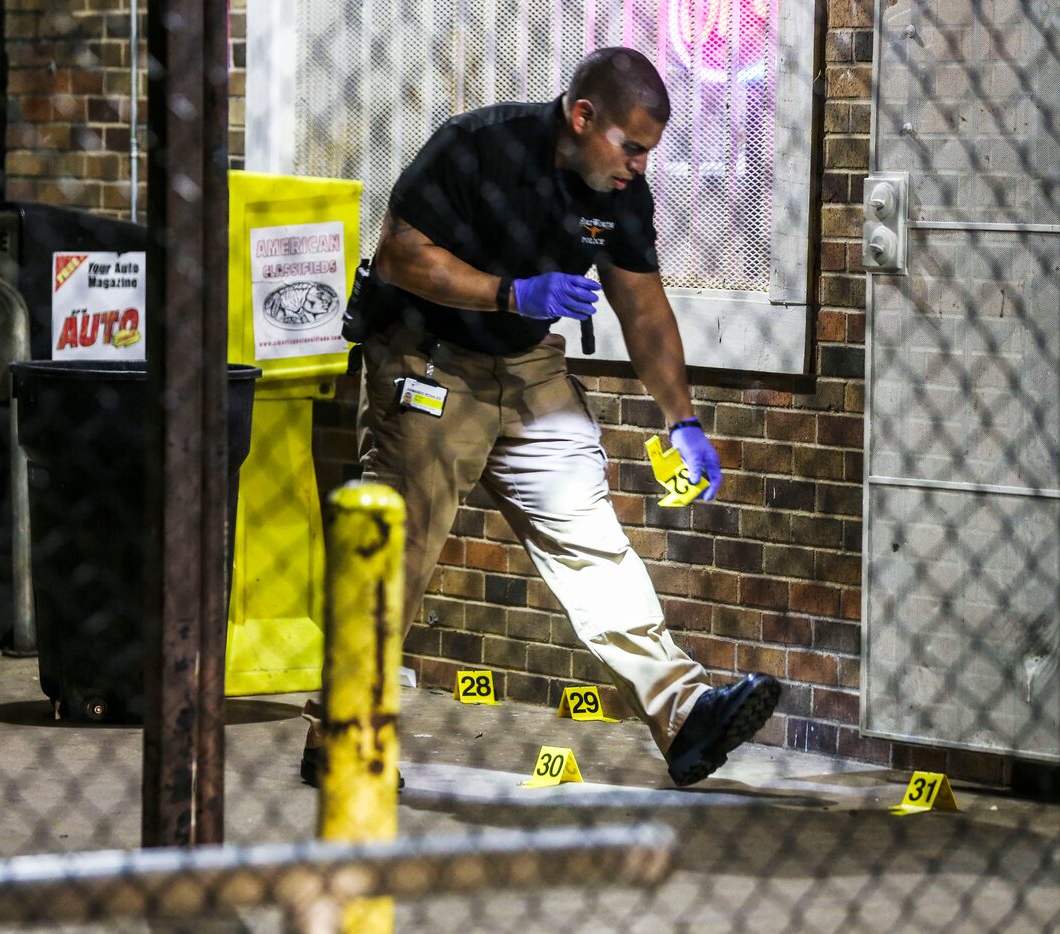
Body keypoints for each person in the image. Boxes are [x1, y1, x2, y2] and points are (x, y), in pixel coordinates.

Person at [306, 46, 780, 789]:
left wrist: (681, 420)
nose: (638, 167)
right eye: (630, 147)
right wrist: (511, 294)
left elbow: (643, 308)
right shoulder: (475, 147)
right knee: (398, 552)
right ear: (582, 117)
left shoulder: (620, 191)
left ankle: (684, 714)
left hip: (527, 369)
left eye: (650, 154)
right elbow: (400, 255)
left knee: (592, 539)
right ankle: (346, 732)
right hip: (429, 361)